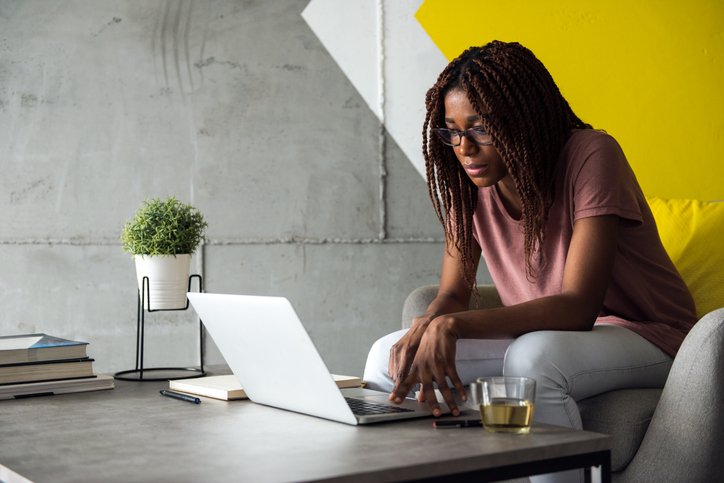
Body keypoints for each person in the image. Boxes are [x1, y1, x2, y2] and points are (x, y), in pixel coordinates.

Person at [362, 41, 697, 482]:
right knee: (388, 356)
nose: (464, 148)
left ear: (520, 120)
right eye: (451, 131)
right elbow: (452, 292)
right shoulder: (469, 183)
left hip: (650, 336)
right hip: (547, 335)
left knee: (534, 358)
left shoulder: (592, 155)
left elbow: (579, 307)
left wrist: (456, 325)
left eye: (480, 129)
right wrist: (428, 327)